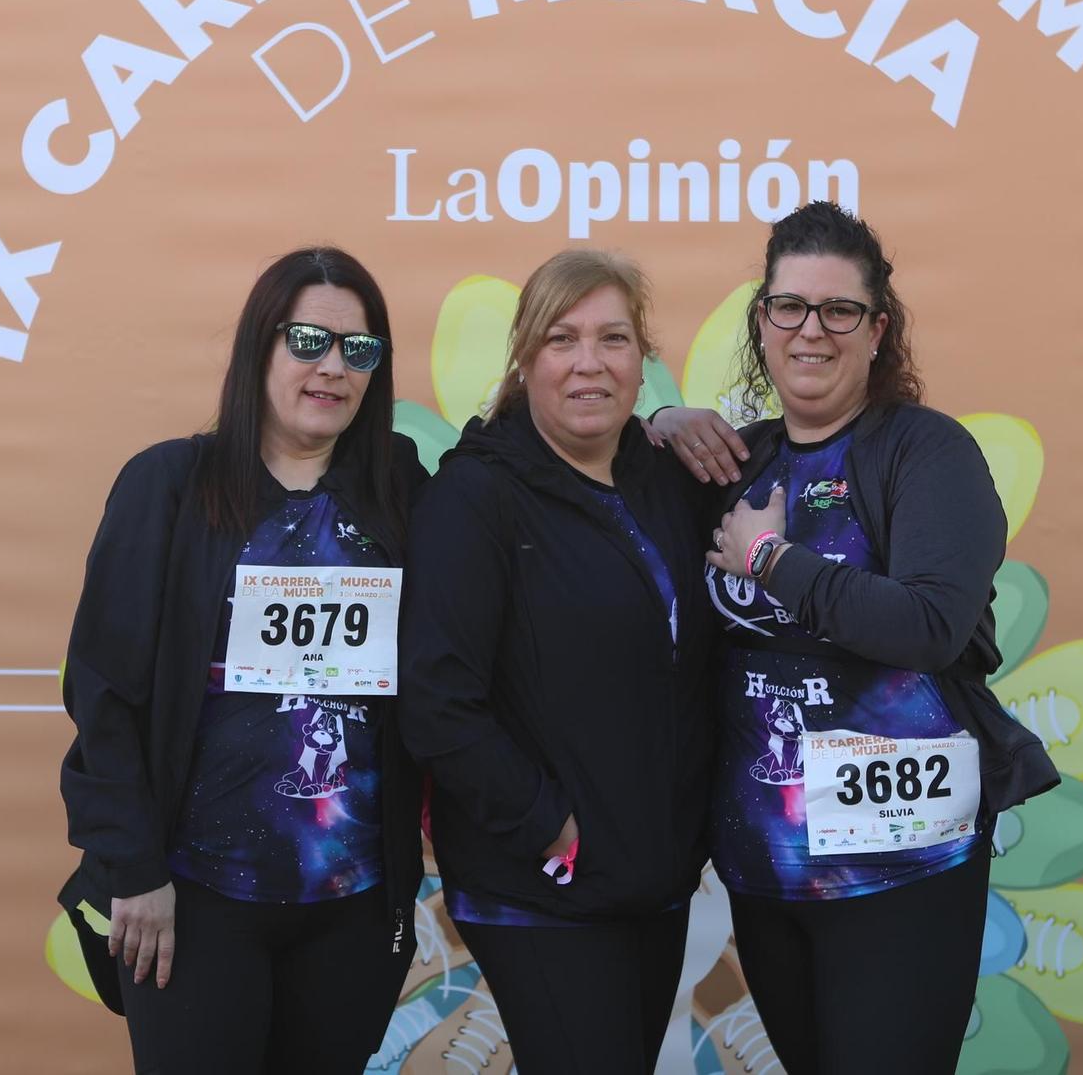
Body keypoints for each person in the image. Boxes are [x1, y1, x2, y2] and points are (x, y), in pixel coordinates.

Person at [649, 201, 1056, 1074]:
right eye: (789, 306)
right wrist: (657, 427)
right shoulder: (736, 459)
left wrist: (771, 559)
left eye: (840, 311)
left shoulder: (926, 452)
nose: (812, 331)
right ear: (761, 322)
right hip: (767, 867)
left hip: (903, 864)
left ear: (878, 330)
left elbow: (929, 624)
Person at [55, 247, 426, 1075]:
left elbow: (516, 467)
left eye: (359, 350)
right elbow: (105, 696)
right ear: (259, 346)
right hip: (191, 900)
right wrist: (136, 868)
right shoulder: (169, 486)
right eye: (309, 341)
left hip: (352, 905)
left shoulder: (403, 487)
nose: (333, 367)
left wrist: (660, 426)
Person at [399, 249, 715, 1075]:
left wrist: (677, 421)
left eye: (613, 338)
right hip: (542, 885)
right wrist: (547, 823)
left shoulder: (665, 480)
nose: (588, 362)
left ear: (642, 358)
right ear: (525, 355)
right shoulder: (474, 498)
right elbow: (437, 702)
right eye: (562, 338)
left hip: (655, 878)